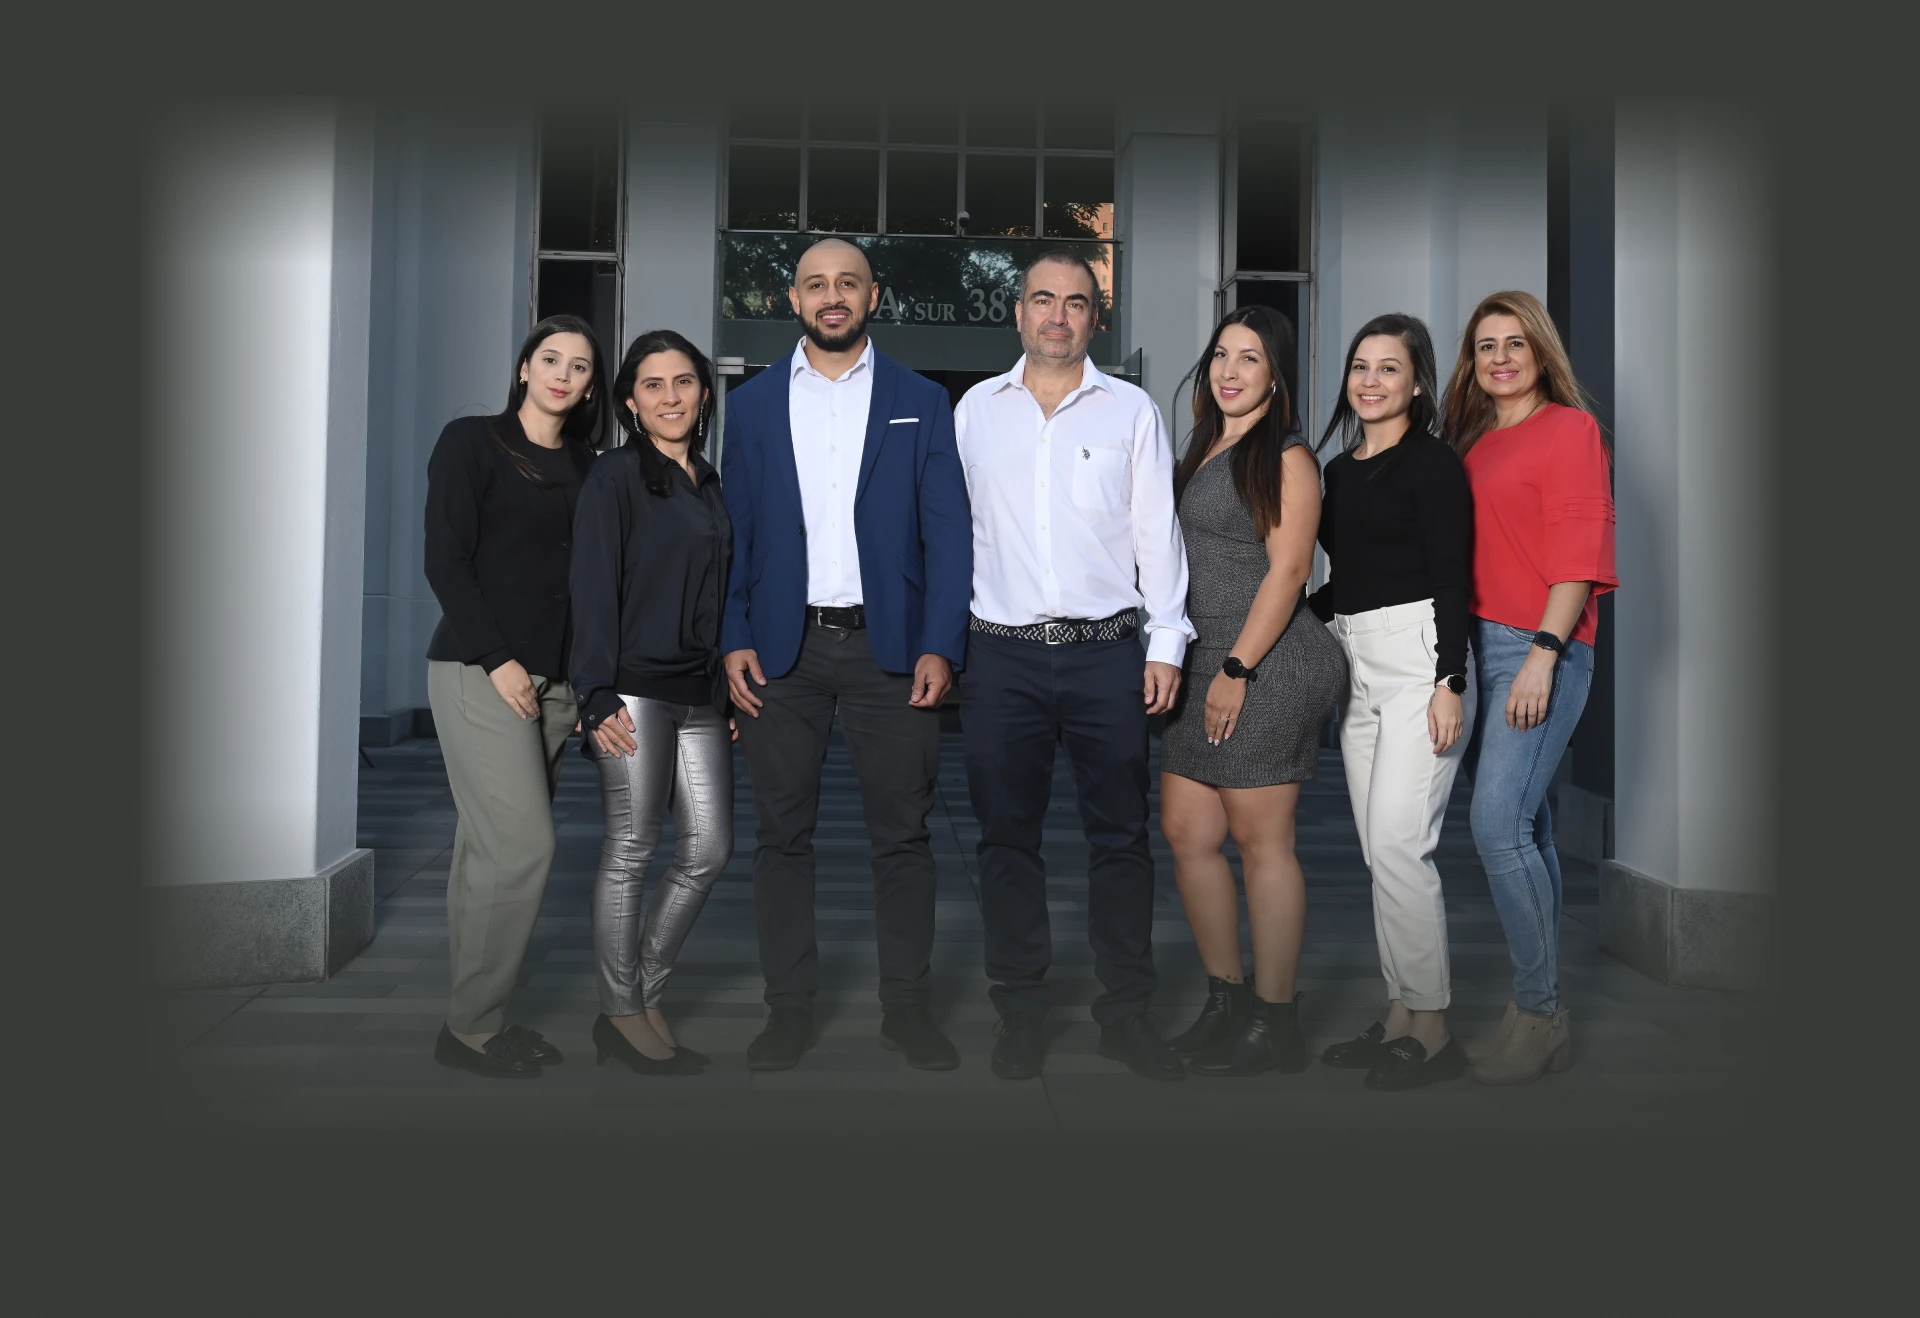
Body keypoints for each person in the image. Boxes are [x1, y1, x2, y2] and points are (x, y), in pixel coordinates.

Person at [720, 238, 973, 1072]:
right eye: (816, 284)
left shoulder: (921, 400)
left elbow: (948, 535)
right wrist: (733, 636)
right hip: (780, 654)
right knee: (780, 838)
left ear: (874, 296)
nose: (833, 296)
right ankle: (788, 1010)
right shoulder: (752, 405)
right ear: (793, 299)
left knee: (903, 838)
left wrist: (941, 644)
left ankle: (908, 1010)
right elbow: (733, 536)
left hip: (890, 651)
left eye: (848, 284)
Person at [955, 251, 1196, 1083]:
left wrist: (1166, 642)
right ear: (1018, 311)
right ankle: (1019, 1013)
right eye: (1043, 300)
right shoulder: (974, 412)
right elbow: (953, 533)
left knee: (1121, 840)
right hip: (1000, 657)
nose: (1058, 316)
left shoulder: (1131, 411)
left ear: (1097, 318)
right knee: (1005, 840)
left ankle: (1126, 1016)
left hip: (1107, 659)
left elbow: (1157, 533)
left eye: (1076, 303)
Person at [1156, 305, 1348, 1079]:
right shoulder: (1205, 444)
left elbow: (1290, 570)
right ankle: (1225, 1001)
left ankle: (1276, 1021)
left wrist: (1237, 671)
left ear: (1276, 377)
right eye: (1221, 356)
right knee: (1187, 831)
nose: (1230, 372)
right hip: (1203, 655)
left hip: (1264, 661)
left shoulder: (1287, 456)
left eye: (1250, 359)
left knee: (1261, 840)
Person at [423, 315, 606, 1079]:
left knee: (486, 851)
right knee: (523, 846)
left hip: (557, 687)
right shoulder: (472, 442)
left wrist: (588, 685)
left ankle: (477, 1015)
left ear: (591, 386)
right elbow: (445, 559)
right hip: (483, 673)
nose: (563, 374)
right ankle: (471, 1029)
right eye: (550, 359)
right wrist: (496, 659)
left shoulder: (591, 467)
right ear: (524, 368)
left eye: (580, 366)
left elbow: (593, 583)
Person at [1443, 290, 1618, 1084]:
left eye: (1515, 342)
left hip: (1536, 647)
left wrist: (1545, 654)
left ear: (1541, 352)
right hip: (1477, 651)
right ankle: (1534, 1013)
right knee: (1528, 827)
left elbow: (1579, 552)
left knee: (1496, 825)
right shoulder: (1476, 442)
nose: (1501, 358)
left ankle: (1540, 1013)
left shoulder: (1570, 430)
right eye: (1486, 346)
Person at [1306, 313, 1476, 1090]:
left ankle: (1433, 1030)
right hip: (1357, 661)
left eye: (1388, 368)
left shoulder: (1434, 464)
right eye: (1360, 367)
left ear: (1416, 384)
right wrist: (1282, 624)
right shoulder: (1338, 473)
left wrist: (1450, 681)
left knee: (1403, 846)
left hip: (1421, 663)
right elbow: (1350, 580)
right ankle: (1401, 1012)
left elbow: (1451, 578)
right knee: (1382, 851)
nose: (1370, 381)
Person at [570, 330, 733, 1077]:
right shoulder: (613, 475)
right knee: (631, 850)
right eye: (653, 385)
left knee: (708, 850)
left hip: (699, 694)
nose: (671, 397)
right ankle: (619, 1010)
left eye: (684, 382)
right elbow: (592, 585)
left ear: (703, 392)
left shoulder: (709, 480)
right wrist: (594, 691)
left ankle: (643, 992)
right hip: (631, 690)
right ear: (631, 402)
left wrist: (722, 684)